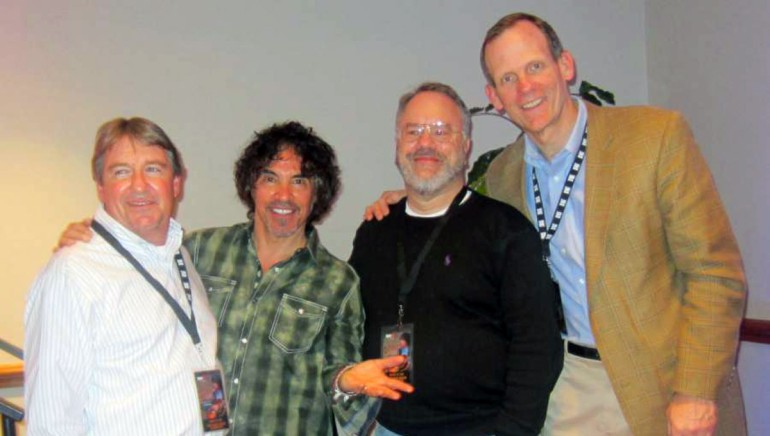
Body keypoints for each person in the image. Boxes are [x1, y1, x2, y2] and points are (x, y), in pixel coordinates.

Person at [369, 12, 748, 436]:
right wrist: (408, 195)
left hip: (662, 380)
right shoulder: (503, 175)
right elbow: (454, 208)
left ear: (565, 66)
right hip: (565, 386)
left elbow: (715, 274)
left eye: (534, 67)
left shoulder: (654, 138)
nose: (525, 87)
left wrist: (695, 391)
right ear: (494, 97)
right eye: (508, 79)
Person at [57, 121, 412, 435]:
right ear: (251, 186)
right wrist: (94, 239)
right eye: (269, 178)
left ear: (316, 193)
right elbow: (134, 277)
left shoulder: (338, 281)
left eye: (299, 181)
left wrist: (348, 381)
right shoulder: (196, 252)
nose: (283, 195)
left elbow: (336, 377)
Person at [351, 82, 563, 435]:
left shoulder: (504, 231)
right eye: (413, 131)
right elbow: (350, 324)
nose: (425, 143)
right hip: (387, 427)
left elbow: (538, 347)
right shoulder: (375, 230)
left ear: (466, 147)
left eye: (440, 131)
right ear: (397, 145)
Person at [25, 117, 219, 434]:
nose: (139, 185)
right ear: (101, 187)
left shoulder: (180, 257)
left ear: (176, 183)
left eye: (153, 169)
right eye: (121, 172)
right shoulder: (74, 273)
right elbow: (52, 420)